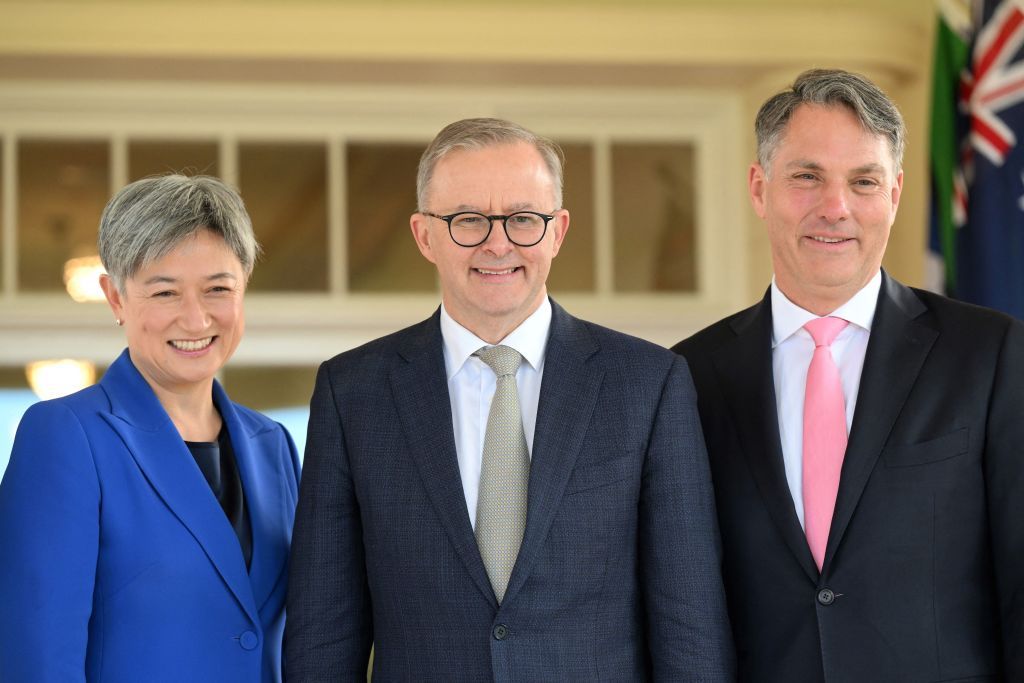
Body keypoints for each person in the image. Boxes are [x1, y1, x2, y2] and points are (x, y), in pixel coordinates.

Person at [286, 118, 734, 681]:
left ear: (558, 231)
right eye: (468, 220)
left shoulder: (648, 384)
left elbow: (688, 624)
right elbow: (324, 633)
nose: (498, 244)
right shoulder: (353, 394)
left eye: (524, 219)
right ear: (425, 235)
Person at [674, 68, 1024, 681]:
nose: (835, 208)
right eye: (807, 177)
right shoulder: (687, 376)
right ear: (759, 189)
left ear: (894, 195)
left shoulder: (991, 355)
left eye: (863, 181)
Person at [0, 175, 301, 682]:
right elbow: (36, 659)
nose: (195, 317)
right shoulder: (64, 436)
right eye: (164, 292)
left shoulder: (273, 444)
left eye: (218, 289)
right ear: (115, 298)